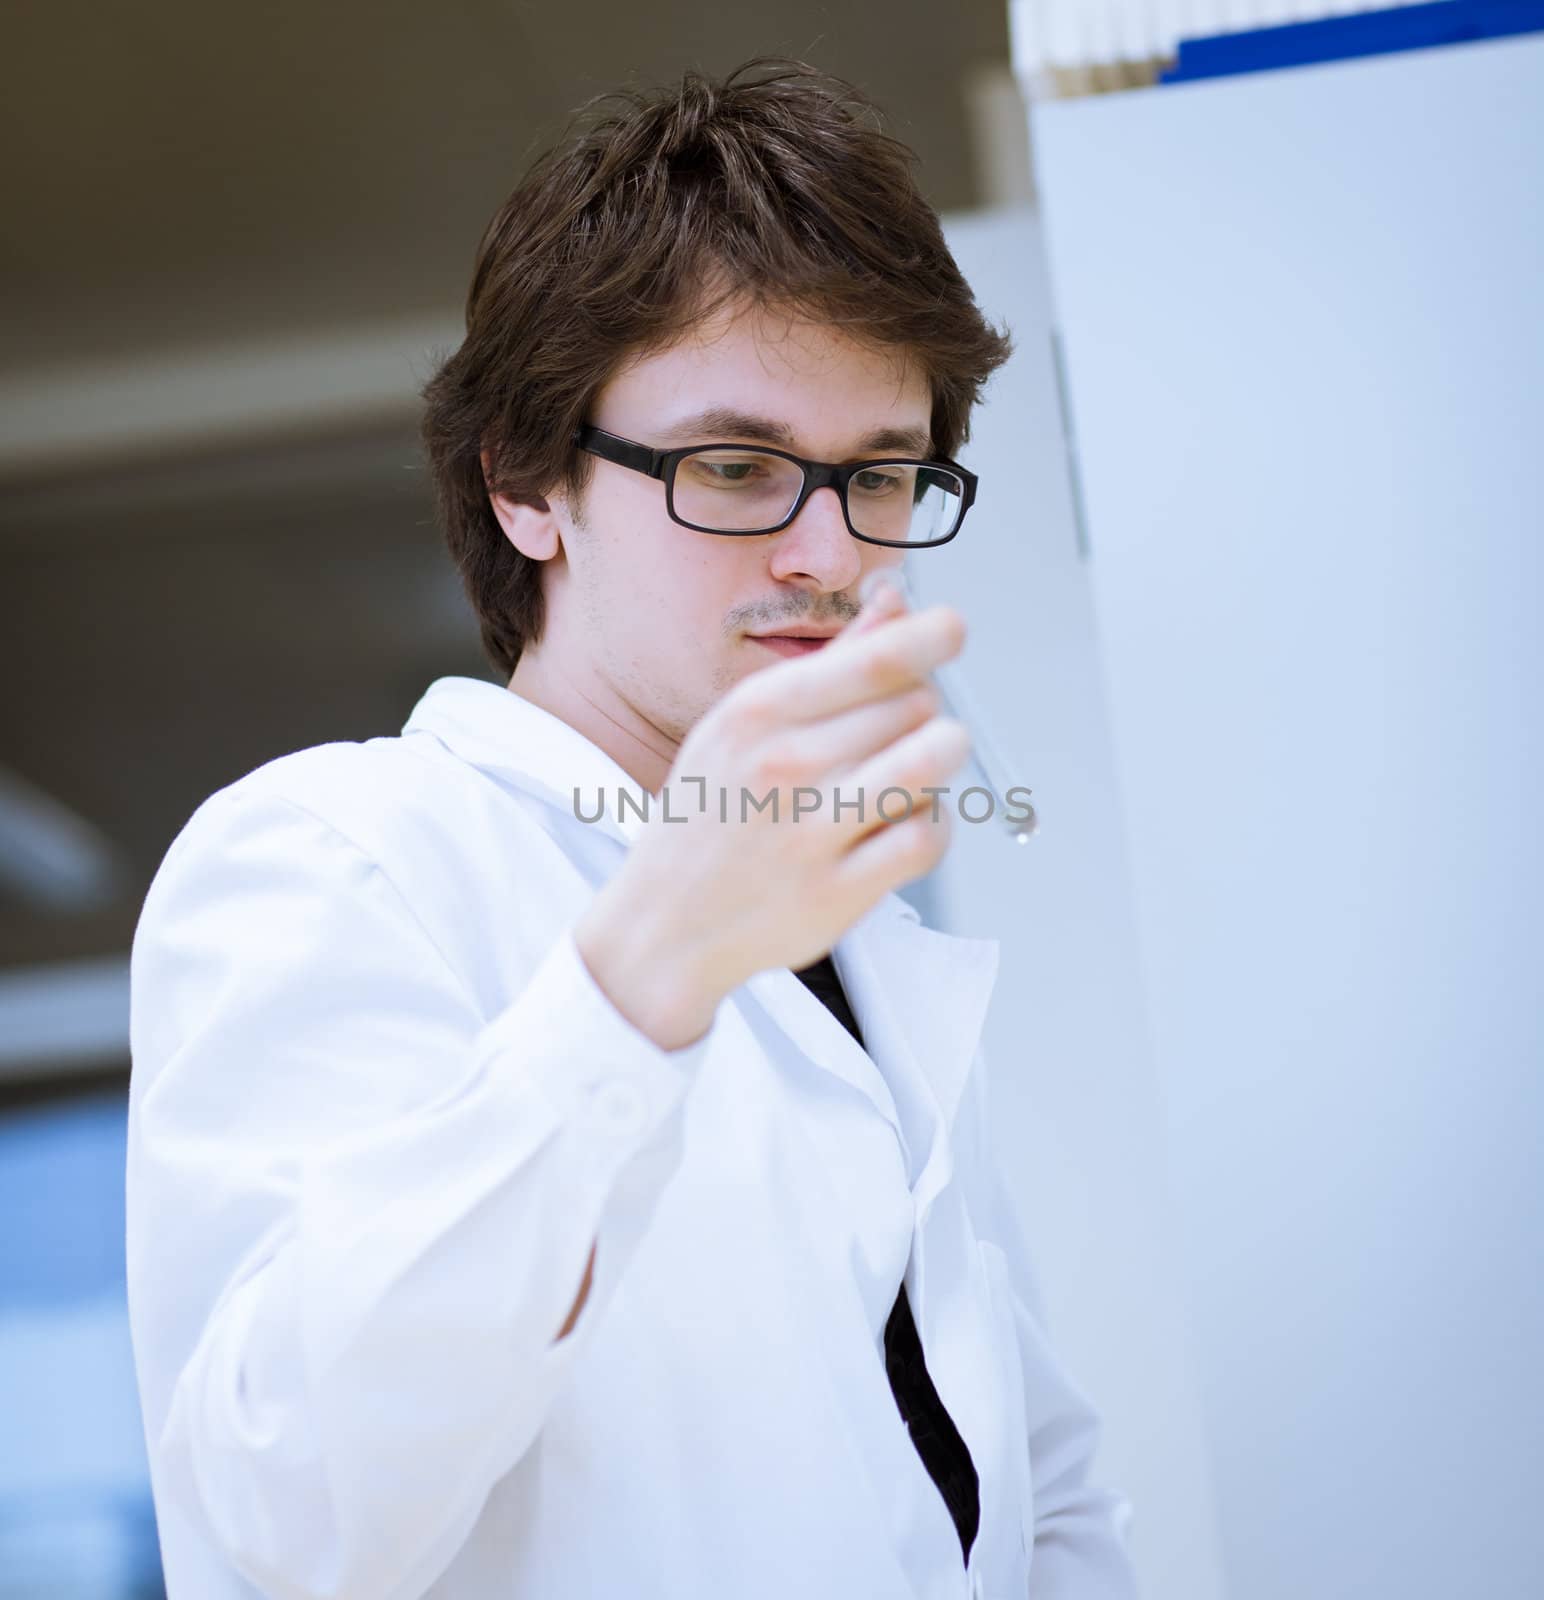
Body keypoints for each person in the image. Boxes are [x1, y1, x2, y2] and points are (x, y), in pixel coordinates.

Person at [125, 57, 1139, 1600]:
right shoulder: (331, 858)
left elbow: (1026, 1484)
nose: (830, 552)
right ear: (529, 483)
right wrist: (633, 992)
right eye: (736, 467)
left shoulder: (850, 932)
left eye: (880, 475)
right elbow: (289, 1515)